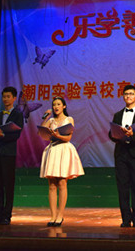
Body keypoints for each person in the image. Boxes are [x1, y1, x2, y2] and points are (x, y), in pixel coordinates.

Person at [108, 84, 135, 228]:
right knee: (122, 187)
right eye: (126, 94)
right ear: (123, 97)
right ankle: (126, 218)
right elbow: (111, 134)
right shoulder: (117, 115)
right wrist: (117, 134)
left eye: (131, 94)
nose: (128, 96)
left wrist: (133, 134)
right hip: (121, 153)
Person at [39, 97, 85, 226]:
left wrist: (58, 136)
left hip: (63, 149)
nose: (56, 107)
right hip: (53, 150)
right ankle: (53, 216)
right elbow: (41, 133)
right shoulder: (51, 120)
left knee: (62, 182)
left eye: (58, 104)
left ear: (64, 106)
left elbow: (68, 137)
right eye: (54, 104)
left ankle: (60, 215)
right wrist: (45, 118)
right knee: (51, 185)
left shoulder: (69, 119)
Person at [0, 86, 24, 225]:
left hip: (9, 152)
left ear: (14, 98)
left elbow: (17, 134)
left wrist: (2, 134)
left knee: (8, 184)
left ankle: (7, 215)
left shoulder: (17, 114)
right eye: (4, 97)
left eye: (8, 96)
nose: (5, 99)